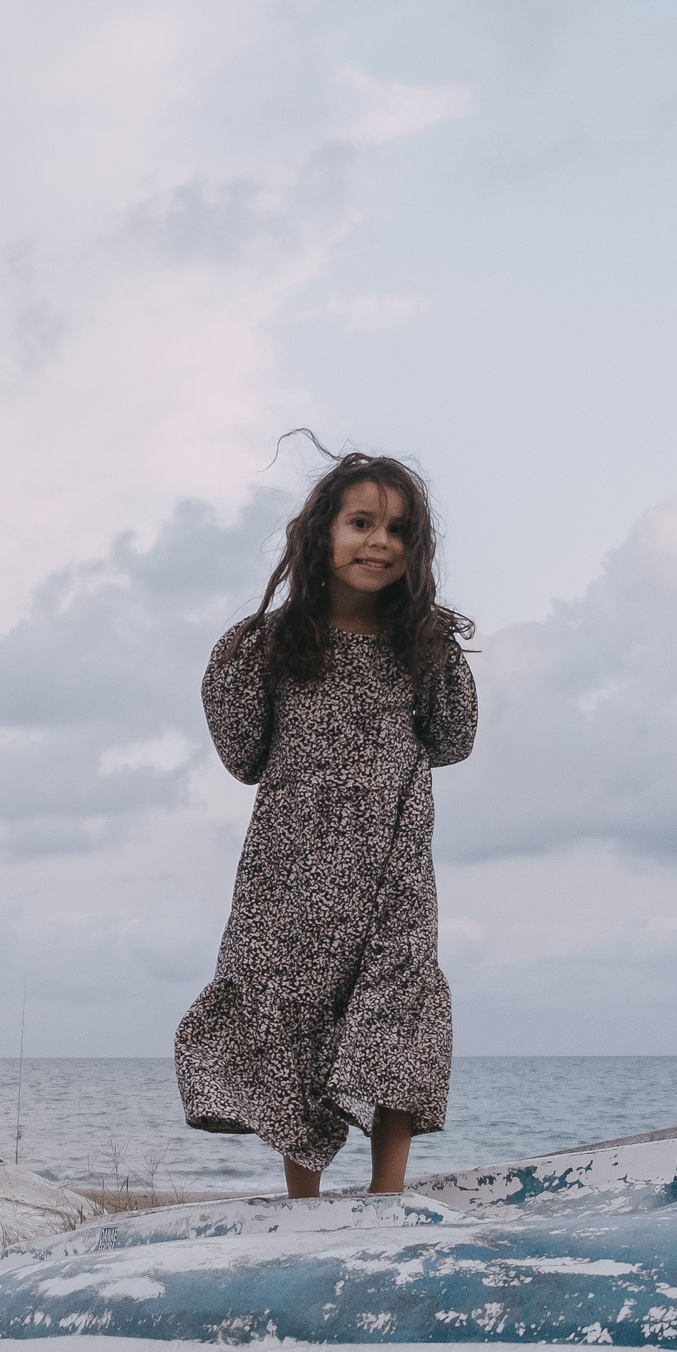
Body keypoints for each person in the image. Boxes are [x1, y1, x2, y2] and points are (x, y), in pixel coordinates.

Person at [174, 448, 477, 1198]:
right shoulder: (270, 647)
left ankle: (389, 1196)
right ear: (323, 534)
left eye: (398, 530)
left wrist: (439, 658)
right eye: (361, 523)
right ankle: (303, 1206)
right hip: (291, 872)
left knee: (400, 1008)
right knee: (291, 1017)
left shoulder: (424, 647)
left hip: (395, 867)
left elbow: (454, 740)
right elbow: (242, 753)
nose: (379, 542)